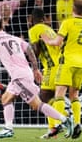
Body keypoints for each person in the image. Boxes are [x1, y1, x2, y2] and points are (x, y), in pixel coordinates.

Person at [0, 17, 73, 139]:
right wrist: (35, 68)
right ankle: (8, 128)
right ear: (2, 26)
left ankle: (64, 120)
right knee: (6, 99)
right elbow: (29, 49)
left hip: (19, 76)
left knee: (36, 104)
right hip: (24, 73)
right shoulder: (15, 38)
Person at [41, 0, 82, 139]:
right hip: (81, 63)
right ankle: (77, 123)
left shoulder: (67, 22)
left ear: (72, 9)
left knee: (59, 94)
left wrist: (47, 40)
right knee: (74, 95)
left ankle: (58, 124)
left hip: (67, 62)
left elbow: (57, 42)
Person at [29, 8, 64, 139]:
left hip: (51, 67)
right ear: (44, 18)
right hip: (61, 66)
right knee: (51, 98)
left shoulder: (34, 30)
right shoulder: (49, 29)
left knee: (44, 98)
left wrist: (28, 53)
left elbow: (36, 50)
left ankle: (63, 119)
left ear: (31, 19)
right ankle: (53, 129)